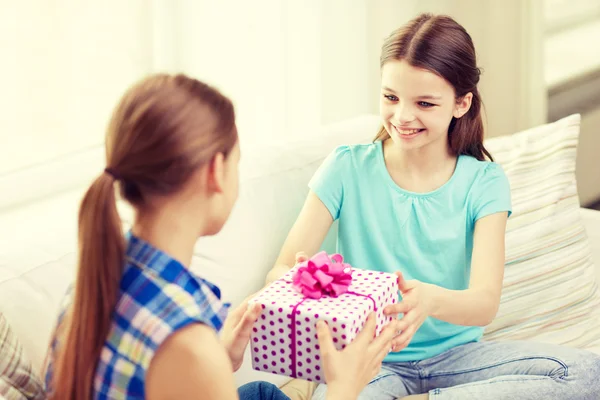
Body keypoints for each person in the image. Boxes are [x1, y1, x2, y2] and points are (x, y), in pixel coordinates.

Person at [267, 13, 600, 400]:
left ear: (461, 103)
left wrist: (428, 300)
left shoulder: (484, 182)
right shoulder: (346, 168)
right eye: (391, 97)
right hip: (372, 360)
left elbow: (484, 305)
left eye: (424, 103)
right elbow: (280, 269)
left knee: (586, 373)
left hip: (460, 358)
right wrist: (314, 290)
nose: (402, 116)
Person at [42, 74, 402, 400]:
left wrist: (221, 356)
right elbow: (180, 363)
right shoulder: (187, 347)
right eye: (237, 162)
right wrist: (344, 388)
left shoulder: (92, 282)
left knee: (261, 393)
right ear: (216, 171)